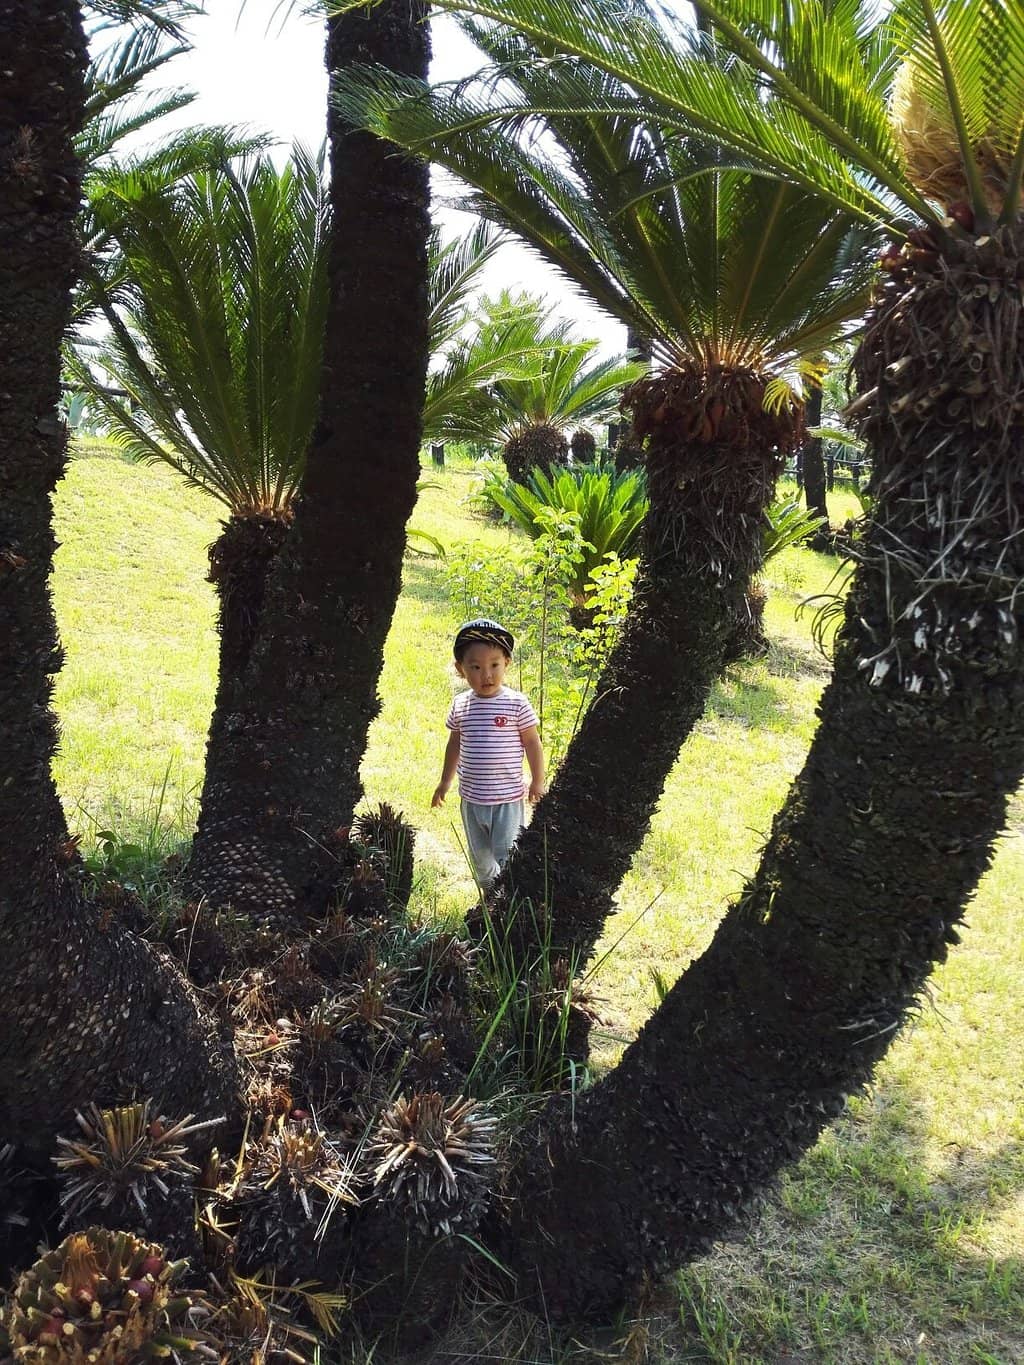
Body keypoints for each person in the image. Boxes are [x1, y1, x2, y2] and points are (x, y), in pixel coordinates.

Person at [431, 618, 545, 888]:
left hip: (507, 799)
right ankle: (493, 897)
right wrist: (445, 782)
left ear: (507, 662)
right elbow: (454, 744)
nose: (487, 675)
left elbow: (532, 743)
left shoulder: (516, 703)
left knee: (507, 854)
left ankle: (511, 897)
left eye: (494, 665)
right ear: (461, 669)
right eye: (476, 667)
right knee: (481, 859)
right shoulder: (461, 705)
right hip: (471, 800)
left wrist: (538, 781)